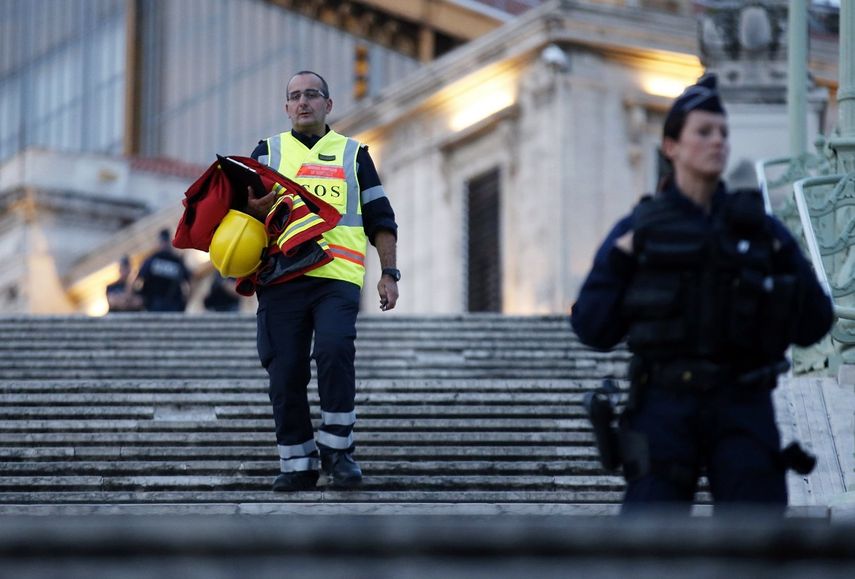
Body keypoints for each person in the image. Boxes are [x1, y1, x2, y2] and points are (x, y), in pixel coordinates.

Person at [571, 74, 833, 514]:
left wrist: (781, 275)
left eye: (723, 133)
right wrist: (620, 258)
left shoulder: (760, 230)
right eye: (704, 132)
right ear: (671, 147)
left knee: (756, 539)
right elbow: (591, 327)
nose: (718, 142)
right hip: (664, 405)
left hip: (742, 403)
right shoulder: (640, 229)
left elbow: (817, 322)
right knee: (648, 539)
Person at [244, 70, 399, 492]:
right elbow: (240, 217)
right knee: (285, 371)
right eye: (295, 96)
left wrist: (389, 273)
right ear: (286, 107)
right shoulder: (267, 153)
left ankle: (338, 450)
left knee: (334, 350)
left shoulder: (353, 154)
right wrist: (252, 211)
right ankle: (297, 463)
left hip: (337, 276)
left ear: (328, 105)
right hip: (280, 278)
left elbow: (381, 220)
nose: (303, 102)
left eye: (312, 95)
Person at [137, 229, 192, 312]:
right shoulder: (176, 261)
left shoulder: (152, 260)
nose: (164, 244)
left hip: (166, 304)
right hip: (161, 304)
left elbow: (138, 279)